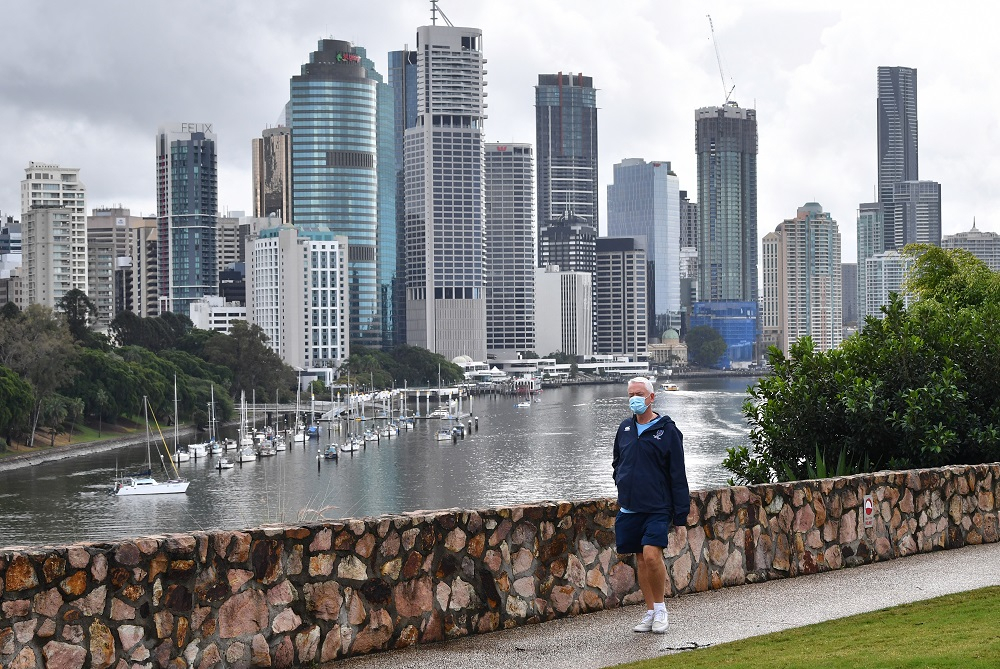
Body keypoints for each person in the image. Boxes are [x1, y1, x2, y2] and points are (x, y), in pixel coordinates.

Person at [611, 376, 690, 634]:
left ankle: (661, 609)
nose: (635, 398)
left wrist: (680, 518)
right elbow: (617, 462)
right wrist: (620, 481)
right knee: (640, 559)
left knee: (651, 555)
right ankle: (649, 612)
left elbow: (678, 476)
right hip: (630, 508)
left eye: (640, 394)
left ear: (651, 397)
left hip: (658, 507)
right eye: (631, 394)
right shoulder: (624, 429)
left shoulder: (667, 431)